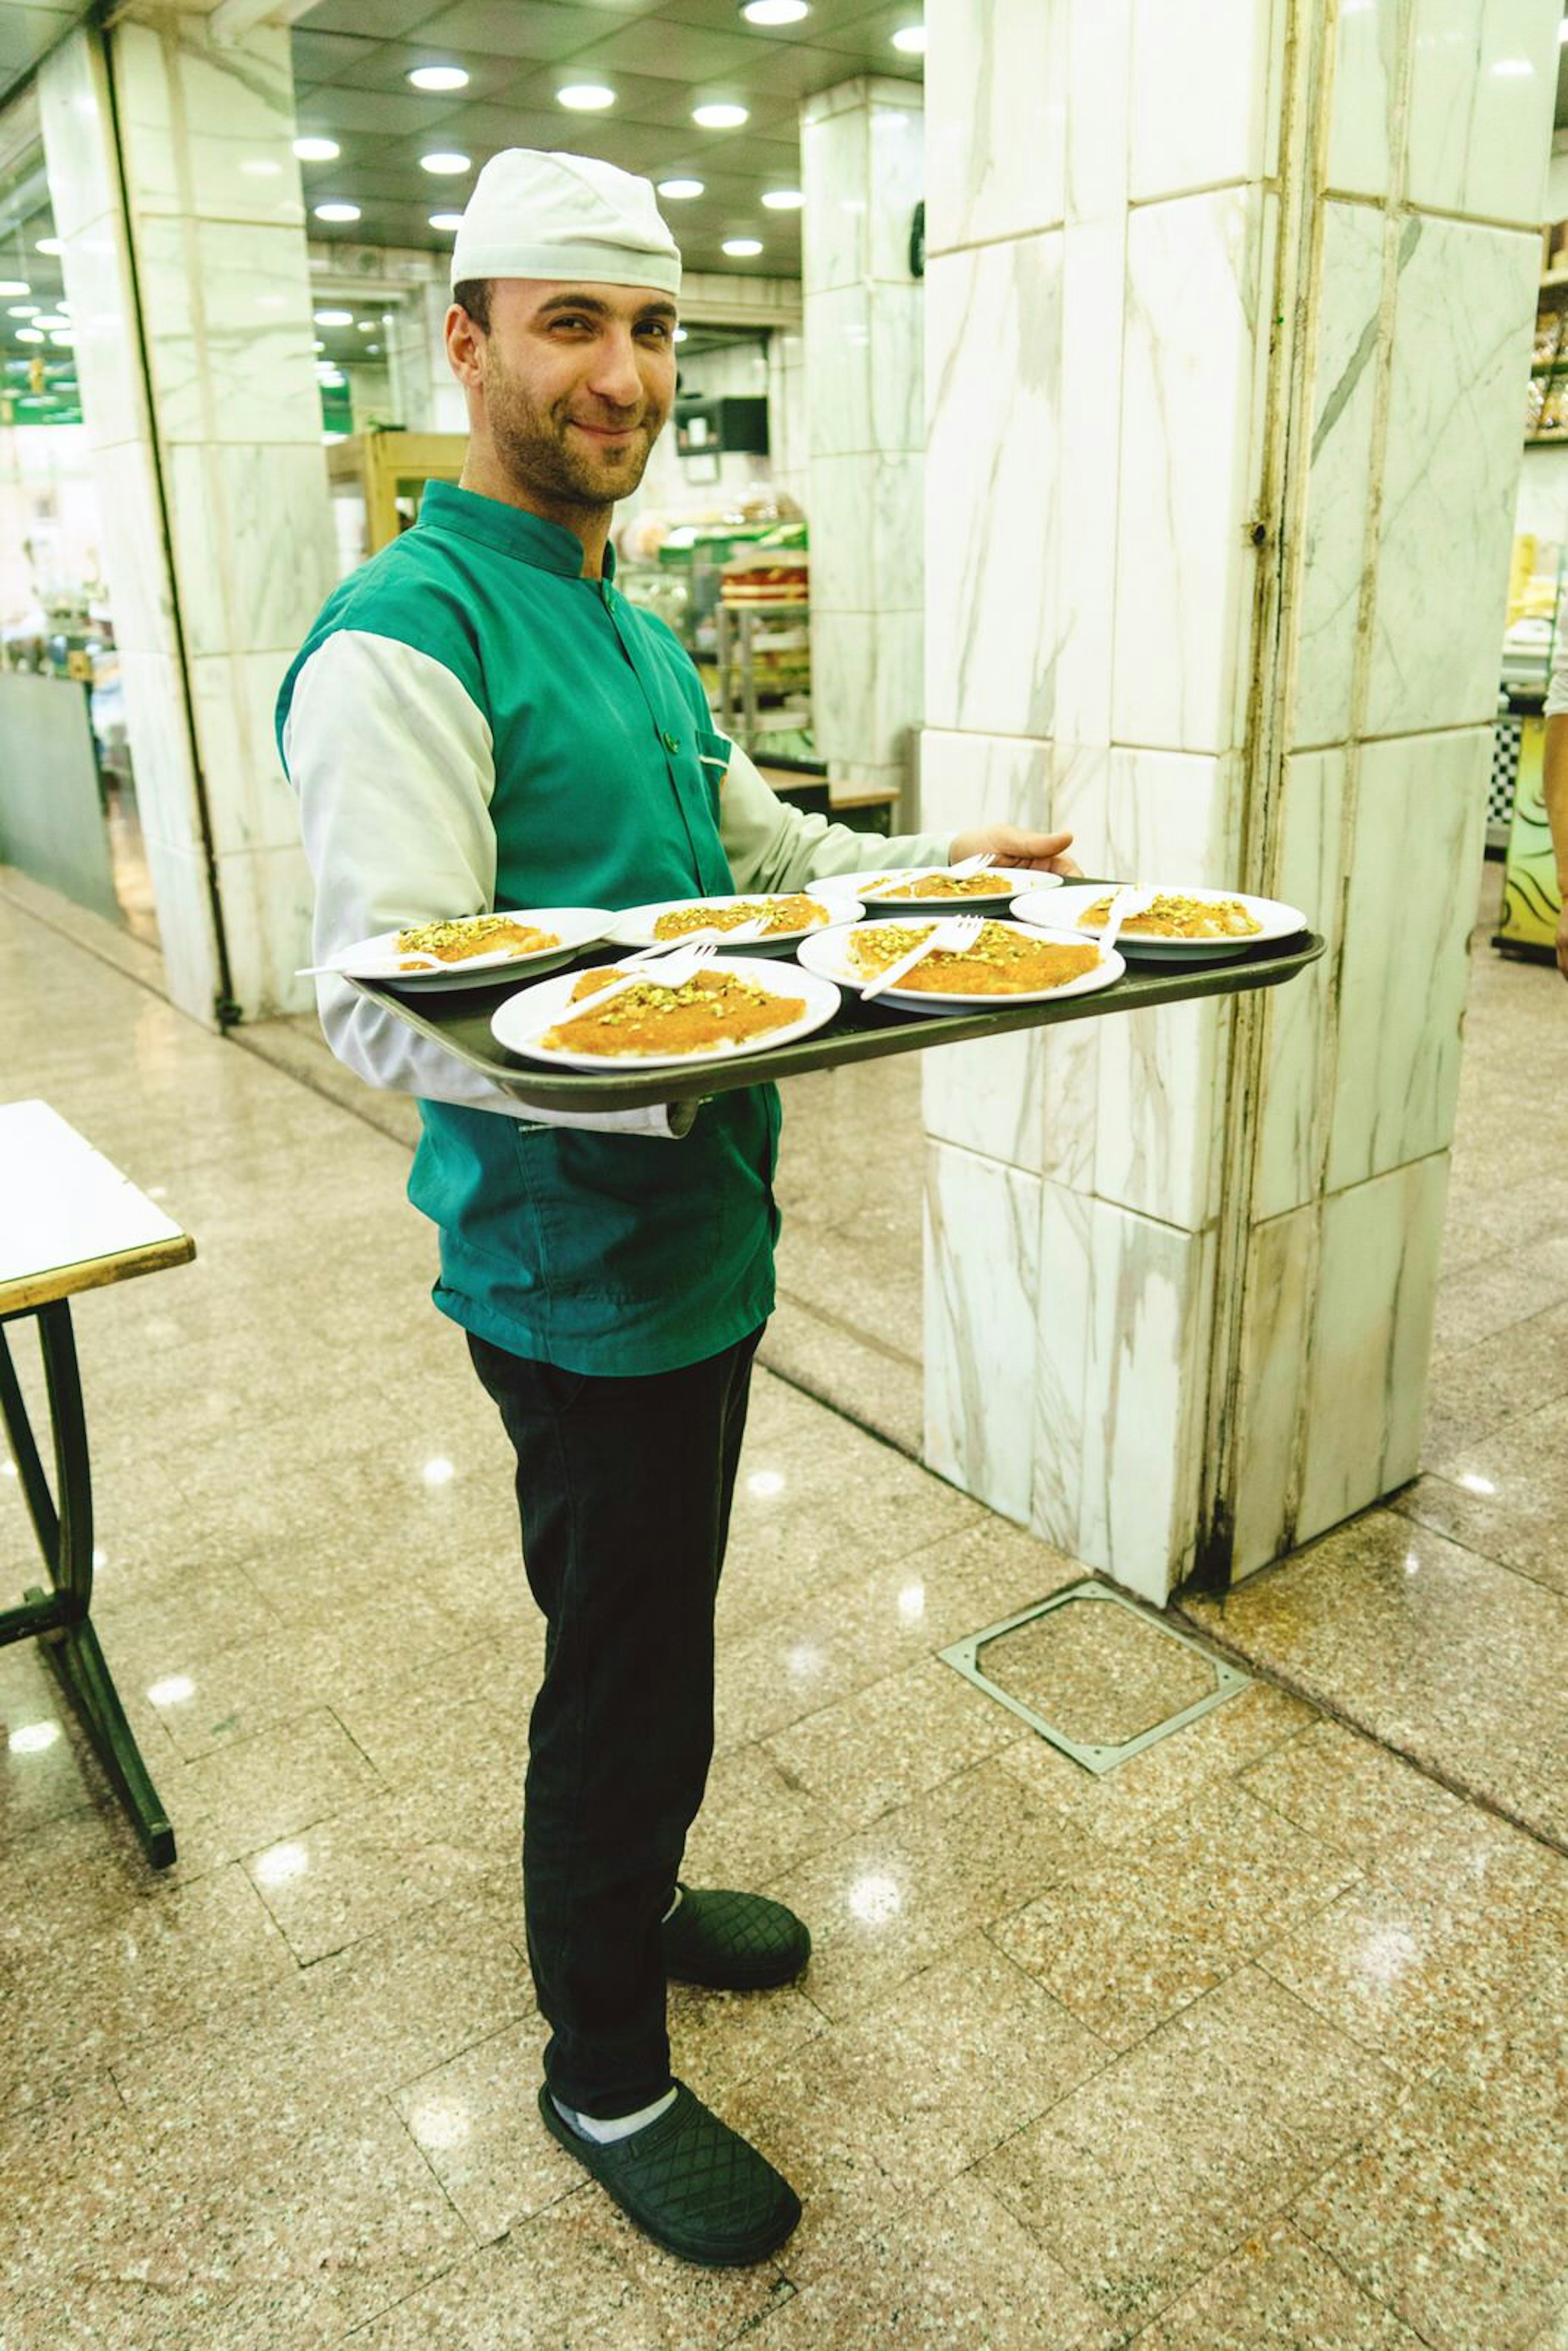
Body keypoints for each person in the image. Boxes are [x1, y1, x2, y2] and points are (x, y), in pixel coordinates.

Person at [278, 148, 1079, 2269]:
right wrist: (665, 1071)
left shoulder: (626, 633)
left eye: (648, 330)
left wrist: (936, 882)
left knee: (666, 1638)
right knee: (619, 1668)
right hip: (571, 1277)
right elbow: (384, 1001)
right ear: (463, 342)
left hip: (705, 1253)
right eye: (571, 323)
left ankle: (635, 1896)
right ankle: (599, 2062)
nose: (622, 373)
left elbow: (761, 855)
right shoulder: (410, 636)